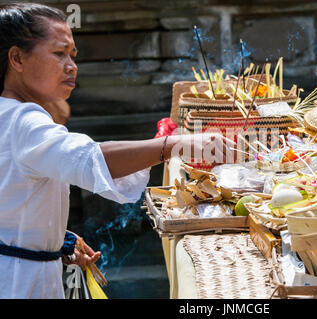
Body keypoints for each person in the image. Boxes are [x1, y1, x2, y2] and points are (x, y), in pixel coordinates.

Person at [0, 3, 231, 298]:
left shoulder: (10, 114)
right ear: (17, 58)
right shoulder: (22, 120)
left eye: (72, 56)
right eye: (59, 54)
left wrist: (58, 241)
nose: (71, 66)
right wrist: (173, 145)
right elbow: (89, 157)